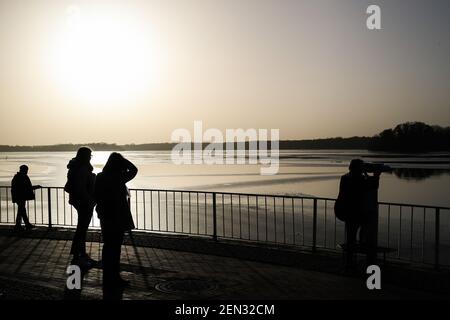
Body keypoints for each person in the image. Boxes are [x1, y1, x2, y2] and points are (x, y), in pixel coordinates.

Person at [94, 153, 137, 296]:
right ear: (119, 164)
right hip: (117, 216)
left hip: (105, 215)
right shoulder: (118, 177)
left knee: (108, 246)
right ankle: (114, 276)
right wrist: (124, 161)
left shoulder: (100, 177)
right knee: (116, 247)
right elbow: (134, 169)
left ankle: (108, 276)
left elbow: (95, 195)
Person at [336, 159, 380, 270]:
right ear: (359, 168)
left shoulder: (345, 177)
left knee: (350, 236)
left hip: (345, 210)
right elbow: (373, 186)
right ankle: (362, 246)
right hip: (356, 212)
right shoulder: (359, 179)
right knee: (365, 226)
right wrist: (376, 175)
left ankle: (350, 261)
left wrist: (365, 174)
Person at [65, 147, 96, 266]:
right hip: (84, 201)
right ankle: (79, 254)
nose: (90, 157)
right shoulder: (82, 168)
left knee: (81, 228)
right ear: (85, 156)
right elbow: (81, 188)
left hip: (78, 200)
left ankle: (79, 253)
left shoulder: (74, 167)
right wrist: (90, 200)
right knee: (82, 228)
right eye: (89, 155)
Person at [11, 165, 41, 231]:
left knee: (21, 211)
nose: (27, 171)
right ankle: (22, 225)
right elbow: (26, 187)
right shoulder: (22, 177)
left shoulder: (17, 177)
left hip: (18, 196)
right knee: (22, 210)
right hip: (20, 196)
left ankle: (20, 225)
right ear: (24, 170)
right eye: (26, 170)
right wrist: (36, 187)